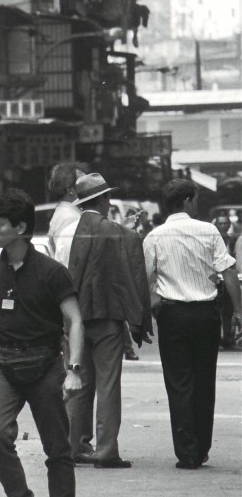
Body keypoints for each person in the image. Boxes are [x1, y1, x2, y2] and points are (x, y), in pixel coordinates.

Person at [0, 189, 84, 497]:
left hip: (46, 365)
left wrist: (75, 369)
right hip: (5, 366)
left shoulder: (52, 272)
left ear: (20, 228)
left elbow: (75, 321)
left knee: (57, 446)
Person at [143, 179, 242, 469]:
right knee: (204, 382)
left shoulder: (154, 236)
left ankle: (187, 452)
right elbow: (228, 272)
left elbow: (146, 280)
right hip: (205, 316)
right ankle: (202, 449)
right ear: (187, 201)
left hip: (173, 316)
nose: (196, 204)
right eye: (195, 199)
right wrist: (238, 312)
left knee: (179, 383)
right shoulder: (209, 230)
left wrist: (151, 313)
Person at [58, 173, 151, 468]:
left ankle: (74, 447)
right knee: (108, 383)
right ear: (104, 199)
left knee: (77, 380)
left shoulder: (65, 232)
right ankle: (106, 450)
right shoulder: (117, 232)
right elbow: (131, 274)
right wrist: (138, 318)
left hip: (74, 318)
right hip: (108, 317)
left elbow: (59, 274)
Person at [45, 162, 86, 254]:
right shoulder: (69, 217)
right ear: (70, 190)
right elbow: (67, 256)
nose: (88, 187)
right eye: (83, 183)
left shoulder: (69, 213)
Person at [213, 216, 237, 349]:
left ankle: (229, 338)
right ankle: (216, 339)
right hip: (214, 279)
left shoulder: (232, 240)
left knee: (229, 310)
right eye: (220, 223)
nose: (223, 226)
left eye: (225, 223)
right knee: (215, 312)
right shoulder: (211, 240)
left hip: (230, 278)